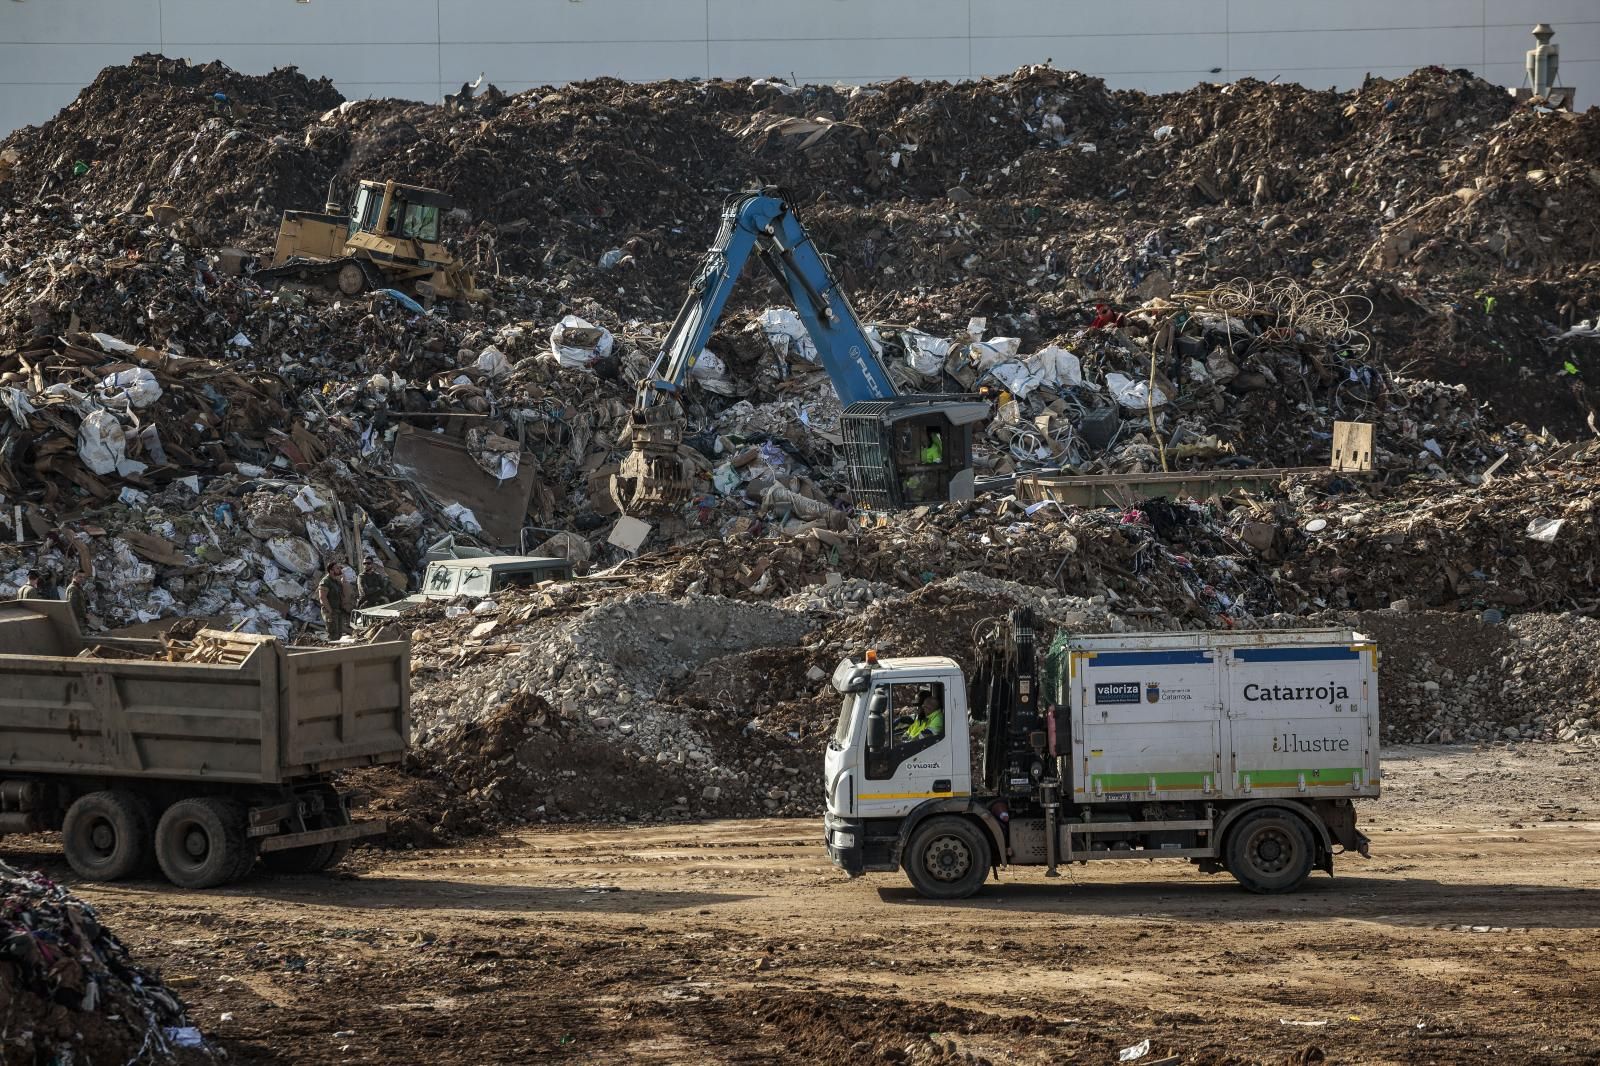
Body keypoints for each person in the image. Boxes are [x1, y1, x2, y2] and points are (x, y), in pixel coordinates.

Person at [317, 562, 350, 641]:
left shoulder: (336, 582)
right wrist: (330, 611)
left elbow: (344, 595)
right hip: (330, 611)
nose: (340, 570)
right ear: (331, 571)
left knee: (339, 635)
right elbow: (322, 597)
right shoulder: (325, 582)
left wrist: (343, 581)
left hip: (337, 611)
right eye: (337, 568)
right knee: (333, 635)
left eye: (339, 568)